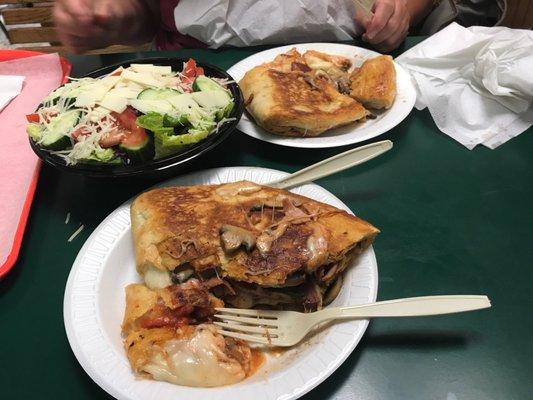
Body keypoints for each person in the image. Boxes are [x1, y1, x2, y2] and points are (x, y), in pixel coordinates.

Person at [53, 0, 436, 54]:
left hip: (359, 64)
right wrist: (112, 18)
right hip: (202, 84)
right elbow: (147, 19)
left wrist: (404, 7)